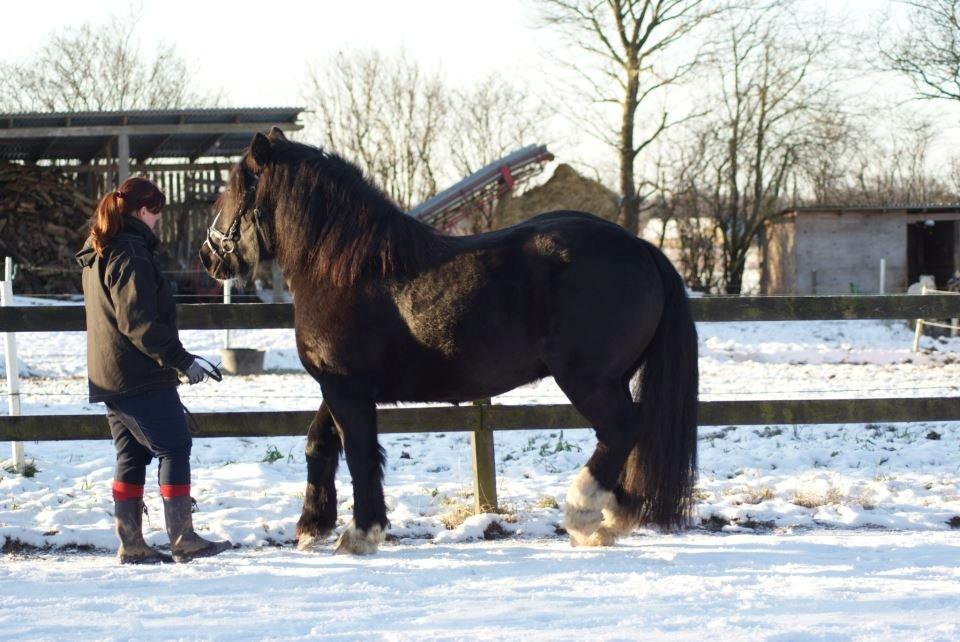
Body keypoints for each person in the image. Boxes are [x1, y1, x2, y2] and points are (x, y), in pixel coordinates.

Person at [76, 177, 231, 564]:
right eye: (157, 213)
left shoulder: (101, 250)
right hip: (138, 374)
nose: (158, 222)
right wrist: (182, 361)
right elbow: (139, 322)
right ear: (144, 211)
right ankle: (183, 537)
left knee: (131, 455)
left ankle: (131, 543)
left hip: (111, 374)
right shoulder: (130, 253)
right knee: (174, 446)